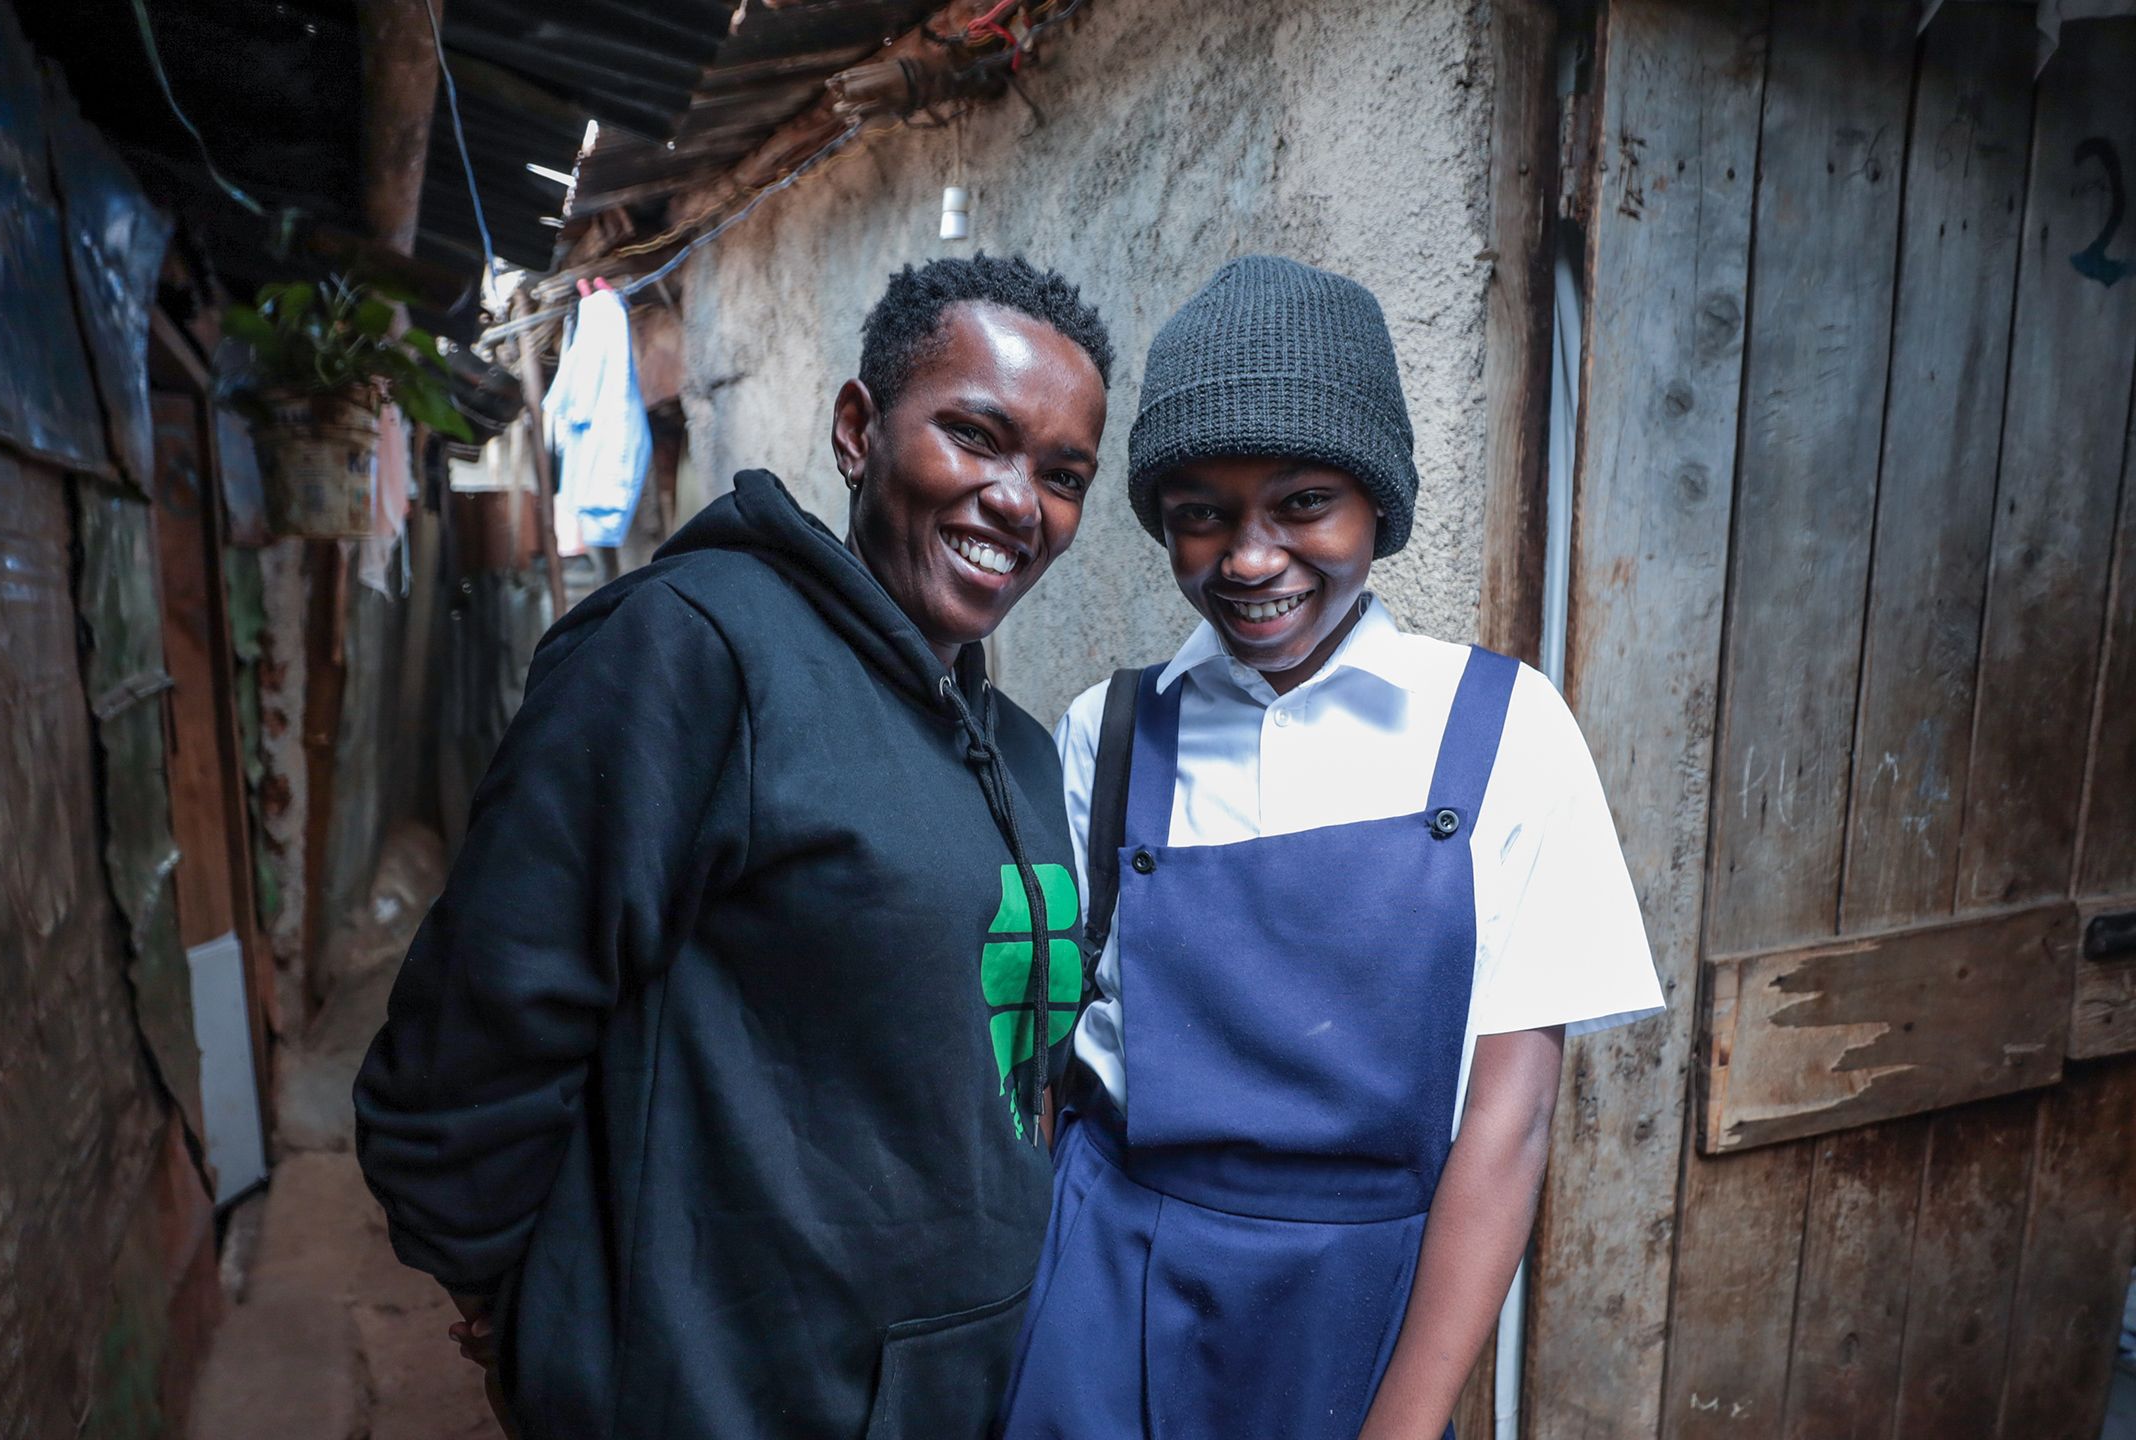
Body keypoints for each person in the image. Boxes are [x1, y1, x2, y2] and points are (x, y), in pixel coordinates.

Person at [356, 254, 1114, 1440]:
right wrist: (534, 1313)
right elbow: (472, 1039)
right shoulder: (697, 654)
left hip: (955, 1398)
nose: (1018, 501)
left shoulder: (1013, 753)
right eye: (975, 436)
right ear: (858, 430)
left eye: (1062, 475)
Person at [1000, 256, 1664, 1439]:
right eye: (1200, 513)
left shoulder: (1504, 731)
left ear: (1376, 502)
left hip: (1360, 1312)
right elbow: (1060, 1063)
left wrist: (1402, 1425)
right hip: (1112, 1281)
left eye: (1302, 503)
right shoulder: (1109, 732)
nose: (1249, 560)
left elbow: (1505, 1130)